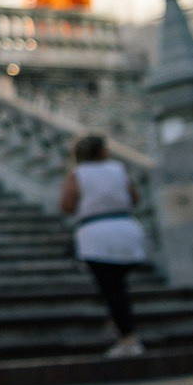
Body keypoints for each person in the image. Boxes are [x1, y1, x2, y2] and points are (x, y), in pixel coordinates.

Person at [59, 133, 149, 358]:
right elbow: (135, 198)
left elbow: (66, 205)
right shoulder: (118, 169)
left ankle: (127, 337)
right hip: (126, 229)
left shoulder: (77, 174)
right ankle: (121, 326)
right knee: (118, 286)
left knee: (111, 289)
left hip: (96, 235)